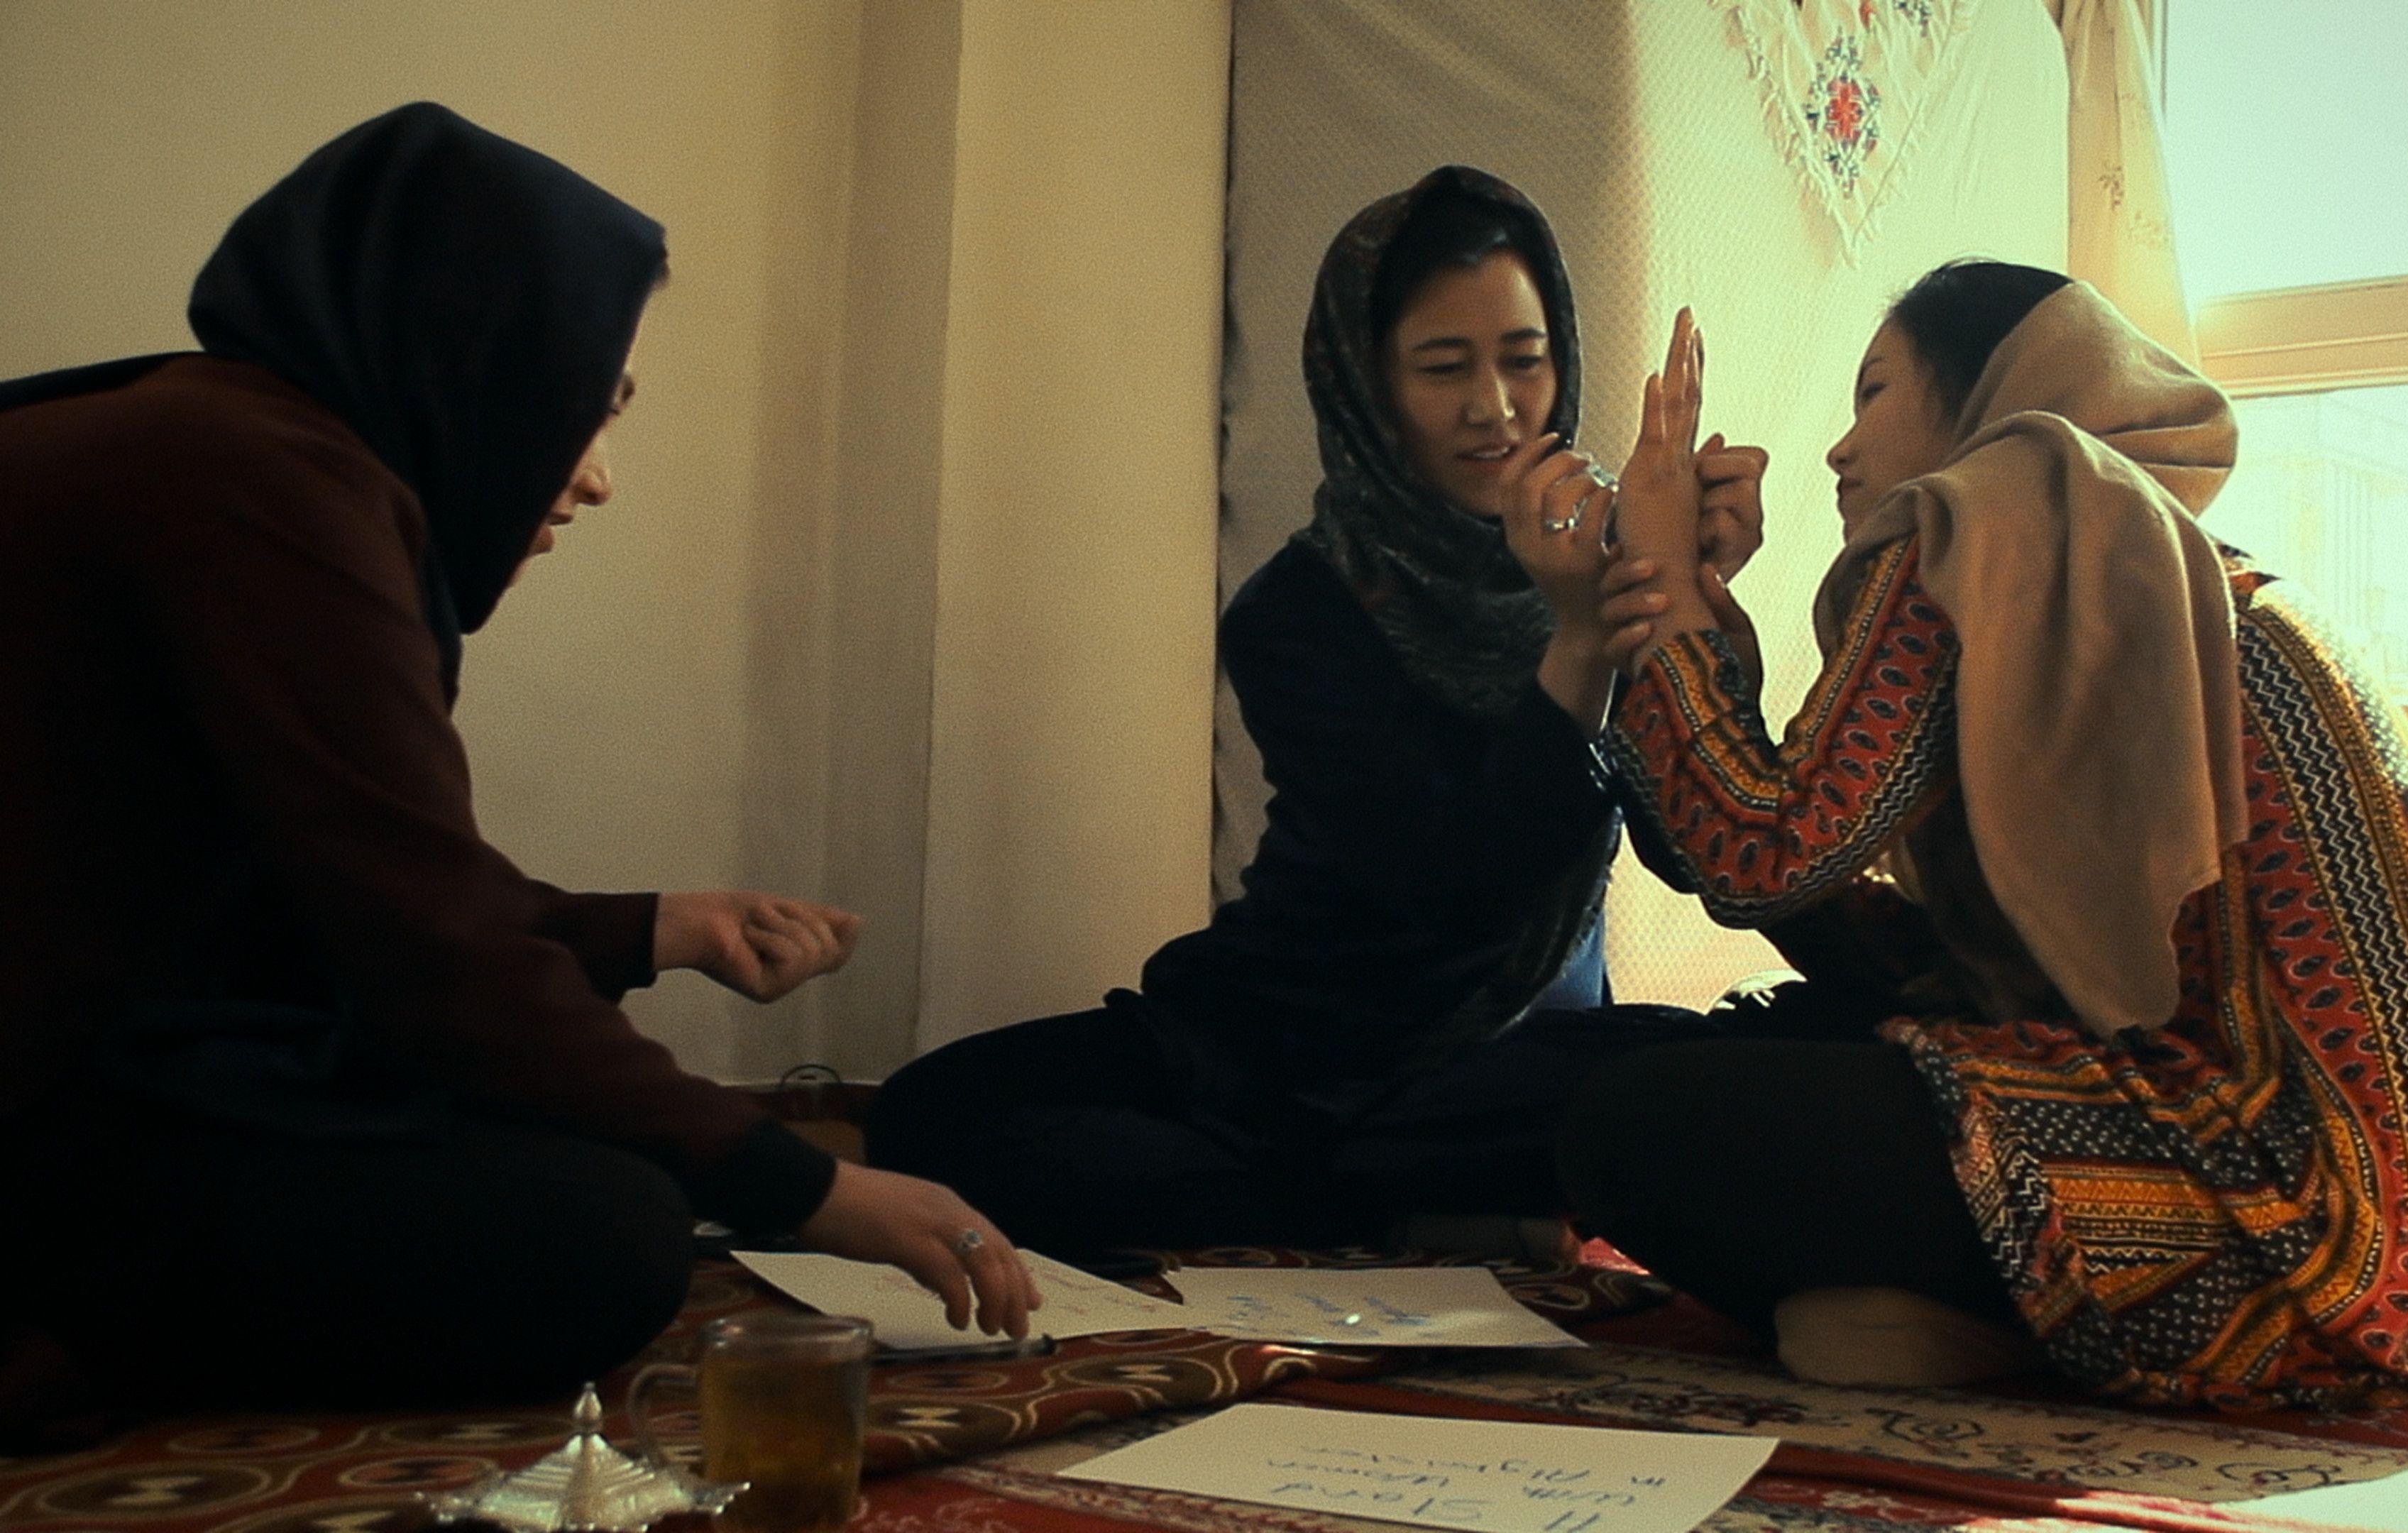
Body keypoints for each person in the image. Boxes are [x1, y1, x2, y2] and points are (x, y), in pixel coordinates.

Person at [0, 104, 1033, 1434]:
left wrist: (658, 928)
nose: (597, 480)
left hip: (86, 1069)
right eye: (585, 407)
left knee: (563, 1151)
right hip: (46, 1114)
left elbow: (329, 889)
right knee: (600, 1233)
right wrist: (809, 1191)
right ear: (477, 357)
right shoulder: (257, 478)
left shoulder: (216, 434)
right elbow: (421, 949)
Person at [1540, 263, 2408, 1410]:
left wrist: (1664, 581)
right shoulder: (2138, 567)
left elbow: (1763, 855)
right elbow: (1844, 920)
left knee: (1631, 1124)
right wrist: (1694, 614)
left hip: (2304, 1239)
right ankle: (2007, 1317)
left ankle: (2029, 1324)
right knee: (1688, 1051)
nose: (1838, 449)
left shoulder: (1981, 516)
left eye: (1874, 393)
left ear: (1989, 399)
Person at [868, 167, 1767, 1257]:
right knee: (925, 1116)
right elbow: (1448, 891)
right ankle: (1366, 1209)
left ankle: (1360, 1201)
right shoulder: (1299, 610)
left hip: (1500, 1062)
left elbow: (1703, 859)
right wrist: (1577, 642)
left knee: (1707, 1077)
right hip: (1281, 1038)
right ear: (1368, 386)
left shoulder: (1605, 561)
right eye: (1445, 369)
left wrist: (1690, 611)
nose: (1495, 409)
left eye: (1524, 362)